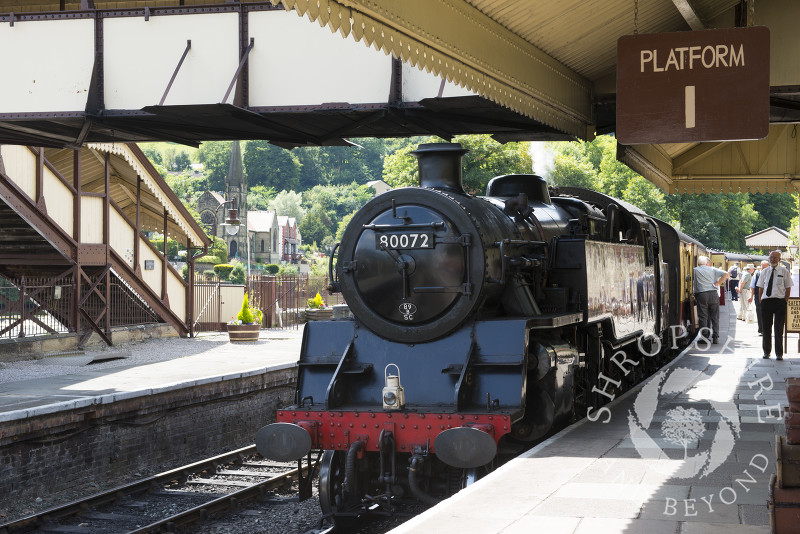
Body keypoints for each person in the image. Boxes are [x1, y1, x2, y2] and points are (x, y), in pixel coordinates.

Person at [757, 250, 793, 360]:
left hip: (779, 302)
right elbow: (761, 287)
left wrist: (785, 301)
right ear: (769, 258)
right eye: (771, 257)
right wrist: (761, 300)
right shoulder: (764, 271)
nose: (772, 260)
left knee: (778, 329)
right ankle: (766, 352)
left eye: (775, 258)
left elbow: (788, 287)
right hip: (767, 302)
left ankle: (779, 353)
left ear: (779, 259)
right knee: (766, 328)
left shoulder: (784, 271)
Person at [693, 255, 729, 344]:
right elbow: (726, 273)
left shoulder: (695, 270)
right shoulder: (712, 270)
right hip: (713, 294)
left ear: (698, 263)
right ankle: (715, 336)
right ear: (706, 263)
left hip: (702, 295)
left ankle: (705, 337)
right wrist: (717, 283)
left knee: (703, 316)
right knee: (715, 317)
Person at [749, 260, 769, 335]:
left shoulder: (770, 273)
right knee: (759, 312)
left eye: (765, 267)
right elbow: (752, 286)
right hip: (758, 295)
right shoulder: (756, 274)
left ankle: (767, 329)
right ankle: (761, 329)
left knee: (768, 313)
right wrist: (751, 296)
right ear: (760, 266)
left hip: (768, 296)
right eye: (762, 267)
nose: (763, 268)